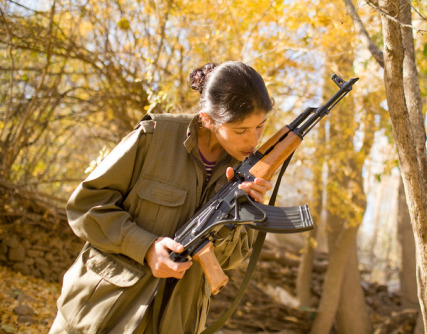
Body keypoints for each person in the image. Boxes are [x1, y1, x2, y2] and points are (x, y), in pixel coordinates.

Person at [49, 61, 274, 334]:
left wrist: (244, 211)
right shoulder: (154, 136)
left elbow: (230, 260)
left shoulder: (248, 173)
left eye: (260, 127)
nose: (253, 140)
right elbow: (85, 207)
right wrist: (145, 247)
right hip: (98, 315)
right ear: (207, 119)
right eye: (241, 130)